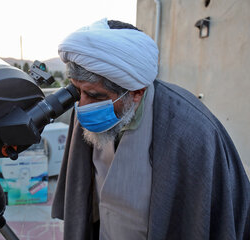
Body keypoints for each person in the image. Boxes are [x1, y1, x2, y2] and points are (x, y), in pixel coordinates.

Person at [51, 18, 250, 240]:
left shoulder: (191, 131)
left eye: (96, 96)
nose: (83, 106)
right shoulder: (88, 112)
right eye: (78, 91)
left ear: (137, 92)